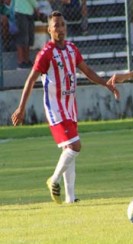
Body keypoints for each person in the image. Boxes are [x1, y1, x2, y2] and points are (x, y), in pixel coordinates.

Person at [11, 11, 119, 204]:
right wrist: (21, 108)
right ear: (49, 30)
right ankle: (53, 179)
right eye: (56, 26)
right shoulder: (45, 53)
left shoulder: (71, 48)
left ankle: (71, 198)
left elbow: (87, 71)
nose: (60, 29)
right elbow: (30, 80)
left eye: (62, 25)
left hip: (70, 107)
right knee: (75, 146)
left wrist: (106, 84)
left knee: (69, 151)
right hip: (56, 109)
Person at [14, 0, 39, 69]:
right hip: (21, 12)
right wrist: (36, 6)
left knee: (28, 39)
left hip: (29, 12)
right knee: (21, 38)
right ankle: (21, 61)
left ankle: (26, 60)